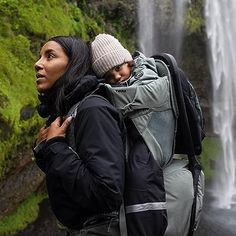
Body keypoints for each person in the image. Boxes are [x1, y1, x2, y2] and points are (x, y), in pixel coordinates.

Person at [33, 35, 126, 236]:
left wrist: (56, 146)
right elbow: (74, 179)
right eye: (39, 56)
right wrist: (45, 150)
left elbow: (107, 194)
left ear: (73, 64)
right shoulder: (70, 112)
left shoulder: (93, 110)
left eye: (49, 56)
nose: (37, 64)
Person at [91, 34, 178, 236]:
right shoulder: (124, 78)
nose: (117, 78)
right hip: (139, 134)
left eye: (118, 69)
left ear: (127, 61)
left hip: (155, 140)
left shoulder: (145, 71)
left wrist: (104, 91)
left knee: (139, 174)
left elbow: (149, 94)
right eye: (109, 77)